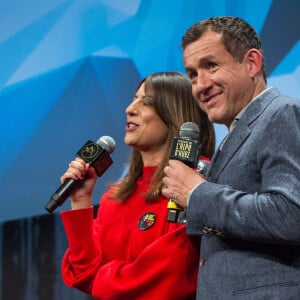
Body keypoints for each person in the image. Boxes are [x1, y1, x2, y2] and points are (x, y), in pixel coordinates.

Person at [162, 16, 300, 299]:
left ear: (252, 63)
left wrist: (198, 193)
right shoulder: (236, 133)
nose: (200, 85)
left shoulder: (280, 114)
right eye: (192, 75)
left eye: (211, 66)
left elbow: (289, 215)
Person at [59, 71, 215, 299]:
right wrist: (80, 201)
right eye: (133, 99)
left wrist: (102, 281)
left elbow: (173, 272)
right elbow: (82, 273)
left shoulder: (198, 182)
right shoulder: (114, 198)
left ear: (175, 114)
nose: (129, 109)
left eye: (146, 102)